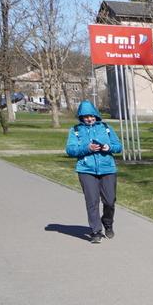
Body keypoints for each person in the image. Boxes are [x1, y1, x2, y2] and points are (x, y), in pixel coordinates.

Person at [64, 100, 124, 244]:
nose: (89, 119)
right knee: (92, 201)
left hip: (108, 169)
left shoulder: (106, 128)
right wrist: (87, 148)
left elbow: (118, 146)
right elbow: (70, 150)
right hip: (86, 170)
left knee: (110, 201)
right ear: (81, 117)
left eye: (91, 116)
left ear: (96, 115)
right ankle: (96, 231)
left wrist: (108, 147)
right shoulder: (75, 130)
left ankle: (107, 223)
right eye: (86, 117)